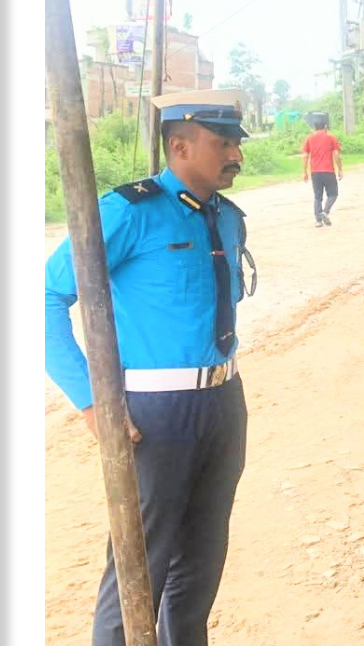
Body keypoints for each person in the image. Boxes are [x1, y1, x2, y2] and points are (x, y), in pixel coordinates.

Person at [45, 89, 256, 646]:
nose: (236, 154)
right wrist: (92, 400)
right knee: (138, 567)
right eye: (222, 143)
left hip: (223, 400)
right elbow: (44, 298)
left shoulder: (226, 216)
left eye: (236, 143)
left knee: (202, 558)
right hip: (155, 413)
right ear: (179, 146)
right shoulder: (128, 212)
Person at [301, 118, 342, 227]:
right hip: (328, 171)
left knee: (317, 196)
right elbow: (337, 155)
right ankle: (325, 212)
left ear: (314, 128)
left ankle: (318, 221)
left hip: (315, 172)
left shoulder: (309, 139)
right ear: (325, 127)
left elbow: (305, 156)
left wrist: (304, 171)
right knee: (333, 194)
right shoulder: (330, 137)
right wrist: (340, 169)